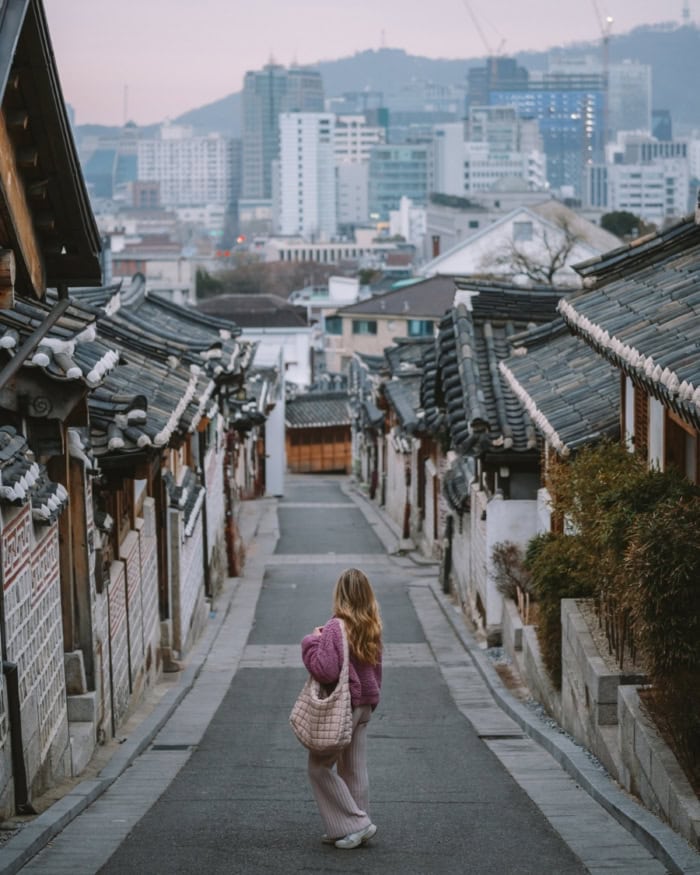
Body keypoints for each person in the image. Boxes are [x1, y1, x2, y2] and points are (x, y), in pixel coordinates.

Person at [301, 567, 383, 850]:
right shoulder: (372, 624)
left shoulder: (336, 626)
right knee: (354, 768)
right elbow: (377, 668)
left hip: (344, 706)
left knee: (319, 767)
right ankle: (351, 828)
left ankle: (356, 823)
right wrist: (373, 699)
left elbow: (325, 670)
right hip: (365, 705)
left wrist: (312, 641)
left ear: (341, 594)